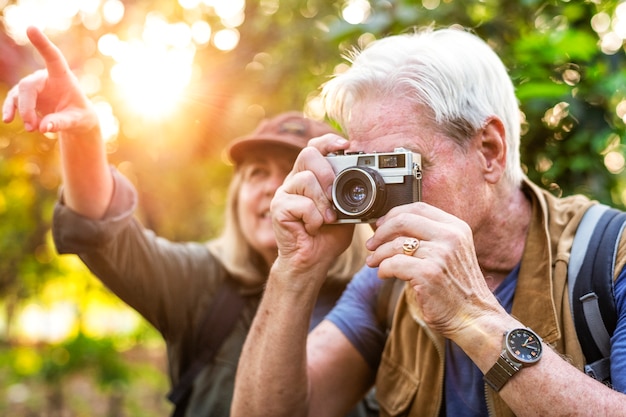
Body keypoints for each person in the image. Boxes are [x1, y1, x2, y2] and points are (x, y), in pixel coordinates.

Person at [231, 25, 626, 417]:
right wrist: (295, 268)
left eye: (401, 168)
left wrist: (474, 317)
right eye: (367, 170)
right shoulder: (386, 284)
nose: (379, 204)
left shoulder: (611, 257)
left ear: (489, 150)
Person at [2, 27, 373, 416]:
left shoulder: (372, 300)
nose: (271, 189)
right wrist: (85, 136)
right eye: (256, 174)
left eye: (291, 172)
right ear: (237, 196)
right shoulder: (201, 284)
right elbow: (104, 234)